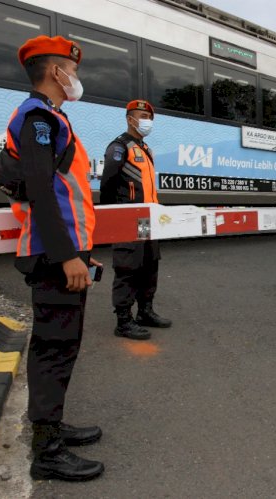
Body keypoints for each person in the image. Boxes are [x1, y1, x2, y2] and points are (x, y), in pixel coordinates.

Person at [7, 35, 104, 481]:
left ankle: (52, 426)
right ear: (56, 72)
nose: (76, 78)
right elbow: (42, 191)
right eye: (73, 69)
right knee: (53, 348)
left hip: (61, 251)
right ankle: (46, 452)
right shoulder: (37, 118)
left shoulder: (52, 118)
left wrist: (82, 254)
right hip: (51, 254)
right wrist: (68, 257)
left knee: (63, 346)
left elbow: (68, 195)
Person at [100, 100, 171, 340]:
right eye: (142, 116)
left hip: (149, 219)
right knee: (127, 268)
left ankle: (145, 311)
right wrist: (114, 215)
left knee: (150, 265)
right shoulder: (120, 147)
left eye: (150, 117)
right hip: (127, 219)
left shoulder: (146, 149)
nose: (147, 121)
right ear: (130, 119)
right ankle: (123, 321)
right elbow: (107, 183)